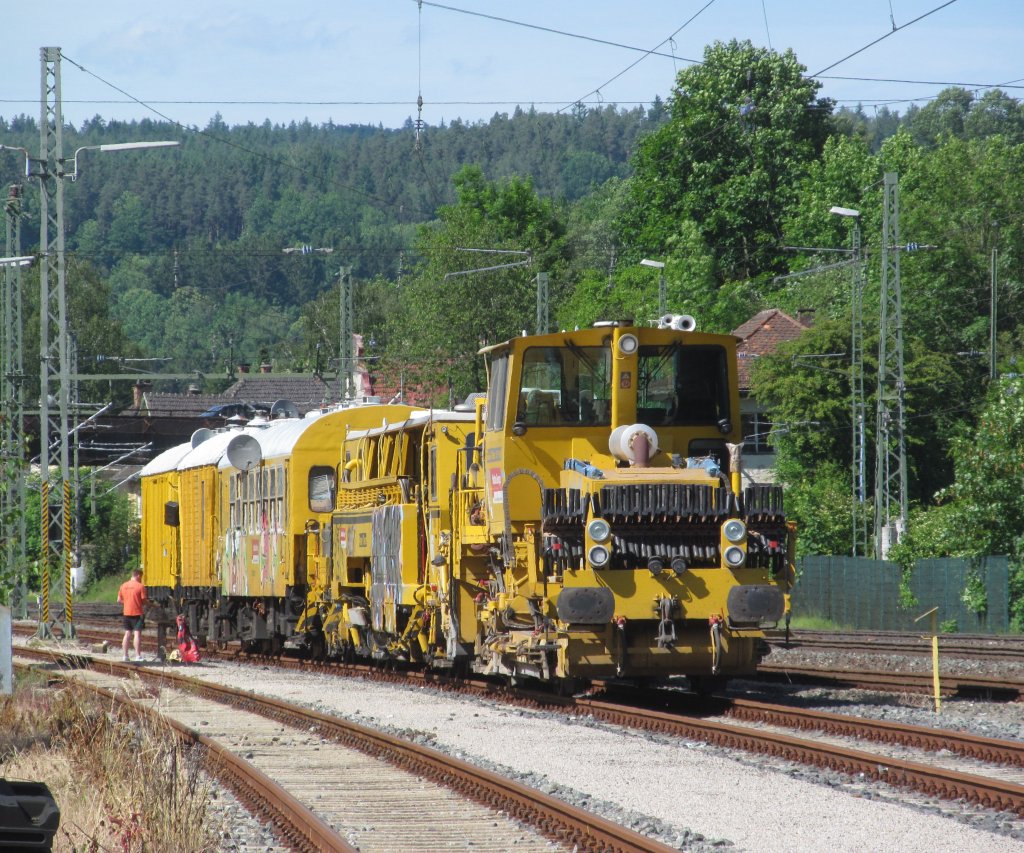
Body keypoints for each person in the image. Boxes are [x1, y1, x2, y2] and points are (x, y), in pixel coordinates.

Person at [117, 568, 147, 662]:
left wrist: (127, 603)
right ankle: (138, 656)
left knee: (127, 633)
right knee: (137, 634)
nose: (141, 579)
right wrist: (152, 604)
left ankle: (125, 656)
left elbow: (119, 600)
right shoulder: (140, 586)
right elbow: (144, 601)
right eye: (141, 577)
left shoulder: (123, 585)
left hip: (126, 613)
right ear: (138, 575)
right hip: (137, 613)